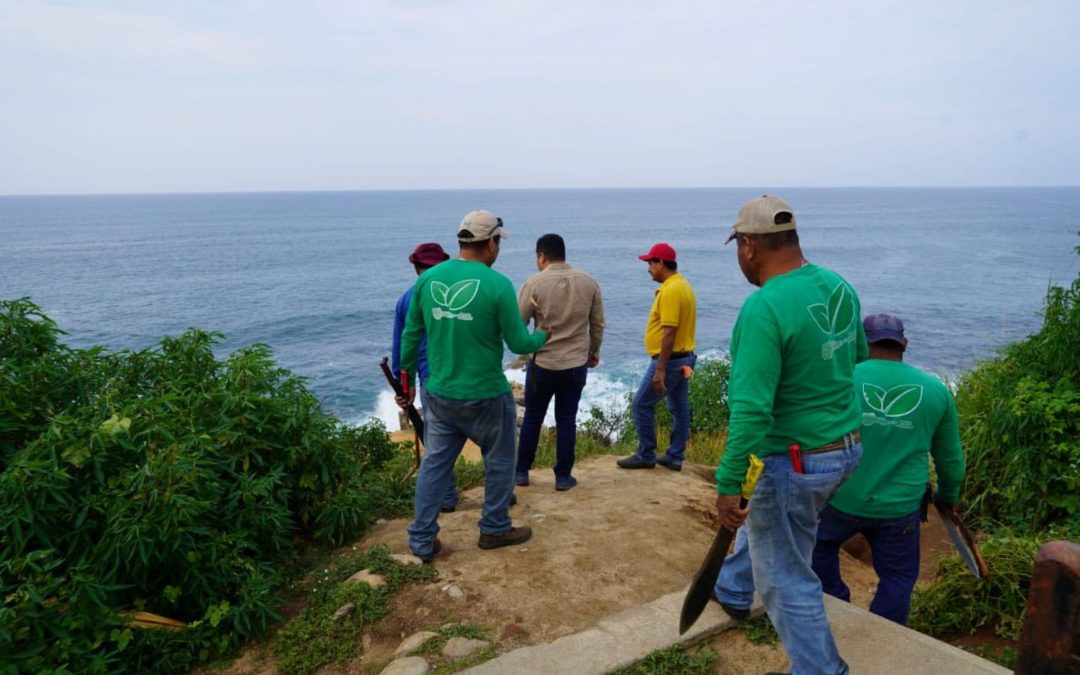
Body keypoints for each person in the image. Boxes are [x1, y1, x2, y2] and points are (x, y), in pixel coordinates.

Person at [712, 195, 867, 675]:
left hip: (796, 459)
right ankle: (735, 588)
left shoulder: (764, 308)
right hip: (845, 448)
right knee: (777, 525)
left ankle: (823, 671)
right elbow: (855, 357)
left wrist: (728, 480)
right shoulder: (837, 285)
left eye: (738, 246)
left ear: (750, 247)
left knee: (784, 577)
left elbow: (752, 410)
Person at [398, 209, 549, 563]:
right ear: (491, 243)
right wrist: (544, 335)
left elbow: (410, 337)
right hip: (485, 395)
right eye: (499, 242)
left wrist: (406, 385)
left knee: (435, 464)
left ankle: (421, 540)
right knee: (499, 460)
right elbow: (519, 344)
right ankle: (494, 529)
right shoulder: (497, 285)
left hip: (440, 392)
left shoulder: (427, 280)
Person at [812, 313, 965, 626]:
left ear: (861, 342)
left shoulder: (840, 380)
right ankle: (882, 636)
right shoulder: (935, 391)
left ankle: (835, 603)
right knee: (897, 578)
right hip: (900, 506)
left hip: (842, 497)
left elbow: (813, 434)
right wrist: (948, 496)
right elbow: (950, 459)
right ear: (904, 344)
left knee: (818, 545)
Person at [516, 234, 605, 492]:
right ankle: (563, 477)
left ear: (541, 256)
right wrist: (593, 352)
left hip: (543, 362)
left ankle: (521, 471)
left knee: (533, 416)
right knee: (567, 419)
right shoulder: (588, 282)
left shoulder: (533, 283)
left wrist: (531, 343)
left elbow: (518, 325)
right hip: (575, 363)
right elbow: (597, 324)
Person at [616, 242, 697, 471]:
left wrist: (660, 369)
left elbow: (669, 331)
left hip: (670, 361)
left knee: (641, 404)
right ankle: (674, 456)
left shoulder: (671, 290)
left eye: (651, 263)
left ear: (661, 263)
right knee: (679, 407)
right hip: (685, 358)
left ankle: (646, 454)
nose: (648, 268)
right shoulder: (683, 285)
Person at [391, 241, 459, 513]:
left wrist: (404, 386)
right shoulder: (458, 295)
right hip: (466, 375)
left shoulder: (407, 299)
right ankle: (500, 493)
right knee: (489, 438)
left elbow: (401, 349)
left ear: (416, 269)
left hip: (431, 379)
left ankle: (447, 497)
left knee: (438, 444)